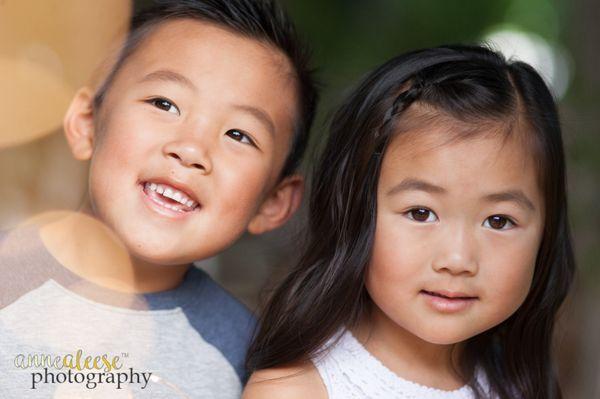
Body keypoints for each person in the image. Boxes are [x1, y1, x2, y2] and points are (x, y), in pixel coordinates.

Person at [0, 0, 317, 397]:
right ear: (87, 123)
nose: (191, 150)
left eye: (239, 135)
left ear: (273, 201)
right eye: (164, 104)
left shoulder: (255, 368)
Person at [243, 45, 574, 399]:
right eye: (421, 213)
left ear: (546, 231)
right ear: (354, 211)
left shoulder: (521, 385)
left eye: (498, 220)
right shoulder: (296, 390)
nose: (457, 260)